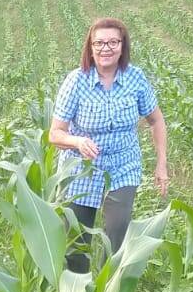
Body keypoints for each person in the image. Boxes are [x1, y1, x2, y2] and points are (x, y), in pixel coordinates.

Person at [47, 18, 168, 273]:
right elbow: (55, 133)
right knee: (76, 241)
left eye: (113, 42)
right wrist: (77, 141)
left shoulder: (135, 78)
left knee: (118, 231)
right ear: (90, 47)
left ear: (122, 46)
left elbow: (156, 120)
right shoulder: (76, 81)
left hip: (123, 164)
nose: (106, 48)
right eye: (99, 43)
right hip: (82, 168)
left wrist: (161, 165)